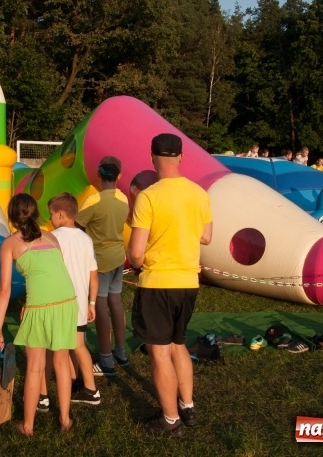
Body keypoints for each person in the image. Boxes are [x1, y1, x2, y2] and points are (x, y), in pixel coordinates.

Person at [128, 133, 212, 436]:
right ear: (181, 157)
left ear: (152, 158)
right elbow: (206, 237)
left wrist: (136, 260)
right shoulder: (199, 193)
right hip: (189, 281)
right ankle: (186, 406)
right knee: (178, 344)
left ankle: (171, 419)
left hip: (158, 282)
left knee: (159, 352)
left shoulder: (148, 197)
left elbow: (136, 254)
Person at [0, 194, 77, 436]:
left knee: (34, 367)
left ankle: (28, 426)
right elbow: (53, 272)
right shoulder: (51, 236)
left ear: (11, 217)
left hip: (42, 306)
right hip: (67, 301)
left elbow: (4, 289)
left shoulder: (9, 243)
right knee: (61, 362)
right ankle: (65, 420)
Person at [75, 156, 130, 377]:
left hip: (100, 260)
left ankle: (106, 359)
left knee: (99, 305)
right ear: (119, 176)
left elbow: (76, 225)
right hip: (118, 257)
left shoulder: (94, 201)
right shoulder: (124, 198)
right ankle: (120, 351)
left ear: (98, 175)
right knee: (116, 302)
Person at [47, 192, 101, 405]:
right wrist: (92, 302)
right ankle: (82, 385)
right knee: (77, 345)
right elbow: (93, 274)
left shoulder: (53, 238)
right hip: (80, 302)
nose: (50, 218)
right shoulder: (86, 238)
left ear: (60, 214)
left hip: (61, 302)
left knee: (65, 347)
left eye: (51, 214)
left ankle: (87, 389)